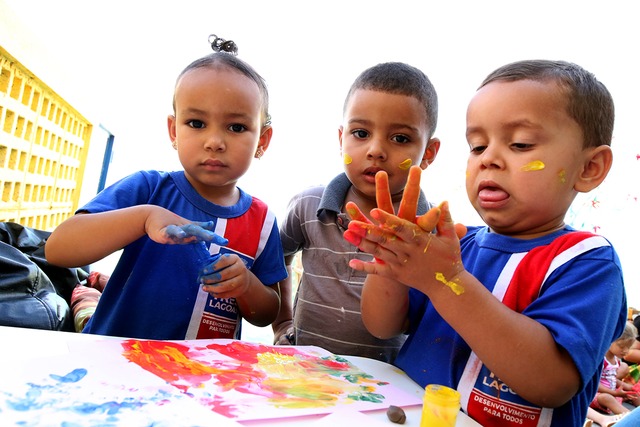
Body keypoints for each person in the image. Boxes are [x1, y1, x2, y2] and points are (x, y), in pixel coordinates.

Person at [343, 59, 627, 426]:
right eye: (477, 146)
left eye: (520, 144)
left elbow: (550, 382)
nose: (489, 159)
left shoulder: (587, 262)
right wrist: (391, 262)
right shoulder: (456, 245)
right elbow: (383, 326)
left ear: (589, 168)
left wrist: (447, 282)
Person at [45, 35, 287, 341]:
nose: (214, 141)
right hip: (115, 361)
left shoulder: (262, 221)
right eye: (197, 124)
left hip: (202, 377)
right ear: (174, 130)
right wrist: (144, 219)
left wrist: (247, 286)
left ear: (262, 141)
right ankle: (87, 297)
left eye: (236, 127)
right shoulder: (148, 189)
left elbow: (267, 314)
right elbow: (58, 250)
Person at [271, 62, 440, 362]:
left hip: (381, 387)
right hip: (301, 370)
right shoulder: (308, 206)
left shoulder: (428, 234)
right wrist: (282, 320)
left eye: (400, 138)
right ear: (341, 139)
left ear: (428, 153)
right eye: (361, 133)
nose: (375, 150)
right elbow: (276, 257)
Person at [591, 322, 640, 415]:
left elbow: (612, 379)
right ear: (609, 339)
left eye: (628, 347)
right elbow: (594, 383)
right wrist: (614, 393)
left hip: (613, 394)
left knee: (634, 394)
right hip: (597, 395)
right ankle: (628, 417)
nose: (625, 351)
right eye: (622, 346)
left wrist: (628, 387)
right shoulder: (601, 360)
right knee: (607, 398)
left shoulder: (615, 360)